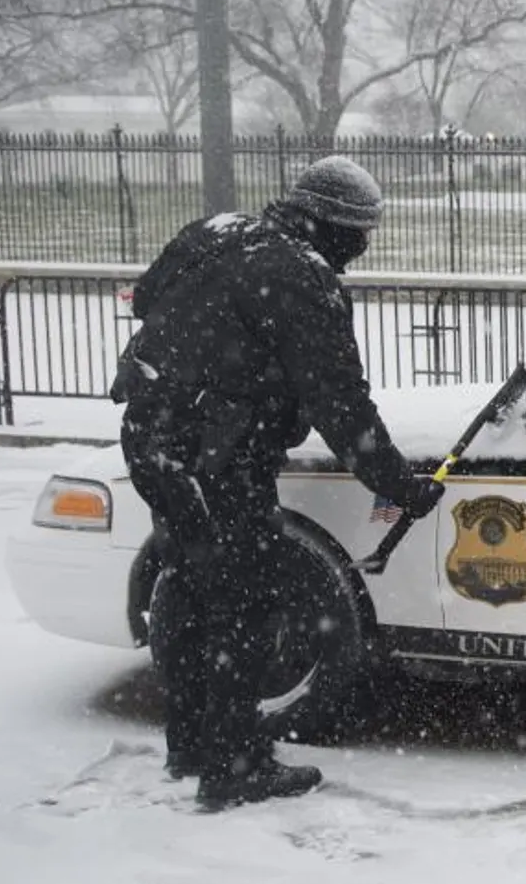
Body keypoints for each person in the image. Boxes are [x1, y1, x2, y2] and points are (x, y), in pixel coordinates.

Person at [111, 156, 445, 811]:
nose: (362, 245)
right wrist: (401, 484)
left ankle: (193, 745)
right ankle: (235, 767)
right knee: (242, 602)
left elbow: (148, 297)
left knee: (189, 587)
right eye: (358, 230)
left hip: (154, 439)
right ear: (330, 223)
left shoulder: (217, 230)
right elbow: (342, 407)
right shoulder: (303, 278)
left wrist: (219, 345)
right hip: (215, 458)